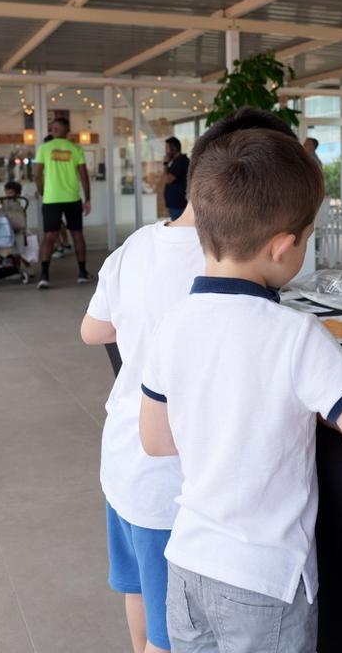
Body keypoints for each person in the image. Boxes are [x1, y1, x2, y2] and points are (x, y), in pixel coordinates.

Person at [139, 128, 342, 653]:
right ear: (284, 247)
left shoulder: (172, 323)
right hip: (262, 582)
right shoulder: (297, 336)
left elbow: (156, 438)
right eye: (307, 239)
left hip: (187, 563)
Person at [80, 108, 300, 653]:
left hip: (123, 457)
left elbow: (93, 330)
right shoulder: (224, 273)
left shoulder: (135, 246)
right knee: (171, 636)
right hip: (171, 482)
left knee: (138, 593)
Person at [34, 116, 91, 288]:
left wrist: (42, 191)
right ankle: (82, 273)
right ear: (68, 132)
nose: (53, 130)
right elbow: (83, 175)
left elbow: (37, 174)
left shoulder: (44, 148)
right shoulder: (75, 149)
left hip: (51, 199)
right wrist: (88, 198)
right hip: (72, 198)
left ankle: (44, 276)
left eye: (54, 128)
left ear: (57, 130)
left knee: (49, 236)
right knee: (77, 234)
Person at [161, 137, 189, 222]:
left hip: (178, 205)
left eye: (167, 148)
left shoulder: (182, 161)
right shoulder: (176, 161)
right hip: (175, 204)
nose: (165, 151)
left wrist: (165, 163)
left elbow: (168, 179)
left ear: (174, 149)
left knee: (179, 228)